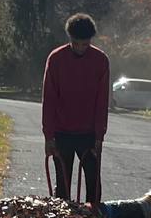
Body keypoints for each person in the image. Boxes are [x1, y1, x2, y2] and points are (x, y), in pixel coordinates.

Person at [42, 13, 110, 206]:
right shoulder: (56, 59)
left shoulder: (100, 61)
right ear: (70, 39)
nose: (80, 48)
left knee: (93, 182)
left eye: (85, 44)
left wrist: (99, 136)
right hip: (62, 132)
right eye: (76, 43)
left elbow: (102, 101)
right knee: (62, 184)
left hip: (88, 134)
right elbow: (49, 99)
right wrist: (49, 136)